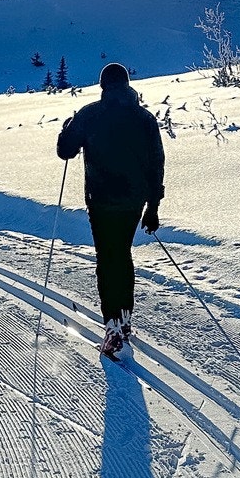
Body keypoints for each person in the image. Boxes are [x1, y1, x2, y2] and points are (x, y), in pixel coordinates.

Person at [56, 61, 165, 357]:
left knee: (107, 258)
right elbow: (156, 164)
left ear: (104, 85)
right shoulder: (145, 118)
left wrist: (67, 129)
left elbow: (65, 151)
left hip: (101, 201)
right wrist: (153, 207)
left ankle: (113, 325)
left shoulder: (90, 114)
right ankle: (123, 320)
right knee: (122, 255)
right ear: (128, 85)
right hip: (133, 202)